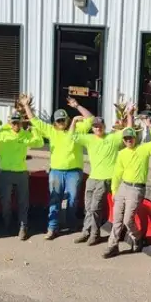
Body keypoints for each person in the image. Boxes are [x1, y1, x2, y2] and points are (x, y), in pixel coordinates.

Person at [20, 95, 93, 240]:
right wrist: (26, 106)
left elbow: (91, 118)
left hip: (74, 171)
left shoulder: (78, 128)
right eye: (58, 120)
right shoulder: (50, 130)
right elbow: (34, 120)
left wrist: (77, 106)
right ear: (54, 122)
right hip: (56, 171)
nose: (61, 122)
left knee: (73, 200)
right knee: (55, 199)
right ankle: (52, 227)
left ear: (67, 119)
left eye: (63, 119)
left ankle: (71, 224)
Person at [70, 103, 133, 245]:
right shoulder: (89, 139)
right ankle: (86, 232)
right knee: (88, 207)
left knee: (95, 207)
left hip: (105, 178)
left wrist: (129, 115)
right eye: (95, 126)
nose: (97, 128)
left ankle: (95, 233)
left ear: (104, 126)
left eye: (100, 126)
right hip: (92, 177)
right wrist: (74, 121)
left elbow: (128, 130)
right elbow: (73, 136)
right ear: (92, 128)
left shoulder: (112, 138)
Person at [104, 117, 151, 259]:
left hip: (136, 189)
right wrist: (114, 190)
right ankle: (112, 246)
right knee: (117, 219)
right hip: (123, 186)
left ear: (135, 138)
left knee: (127, 220)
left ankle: (137, 238)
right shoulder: (122, 153)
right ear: (123, 140)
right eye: (126, 138)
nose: (128, 140)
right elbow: (117, 173)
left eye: (131, 138)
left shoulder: (143, 149)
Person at [0, 111, 45, 239]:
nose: (16, 124)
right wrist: (3, 125)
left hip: (21, 173)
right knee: (5, 202)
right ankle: (7, 225)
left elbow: (40, 143)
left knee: (23, 202)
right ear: (10, 123)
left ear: (21, 122)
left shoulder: (25, 135)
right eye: (13, 122)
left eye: (18, 122)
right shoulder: (1, 134)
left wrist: (34, 128)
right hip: (6, 173)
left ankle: (23, 227)